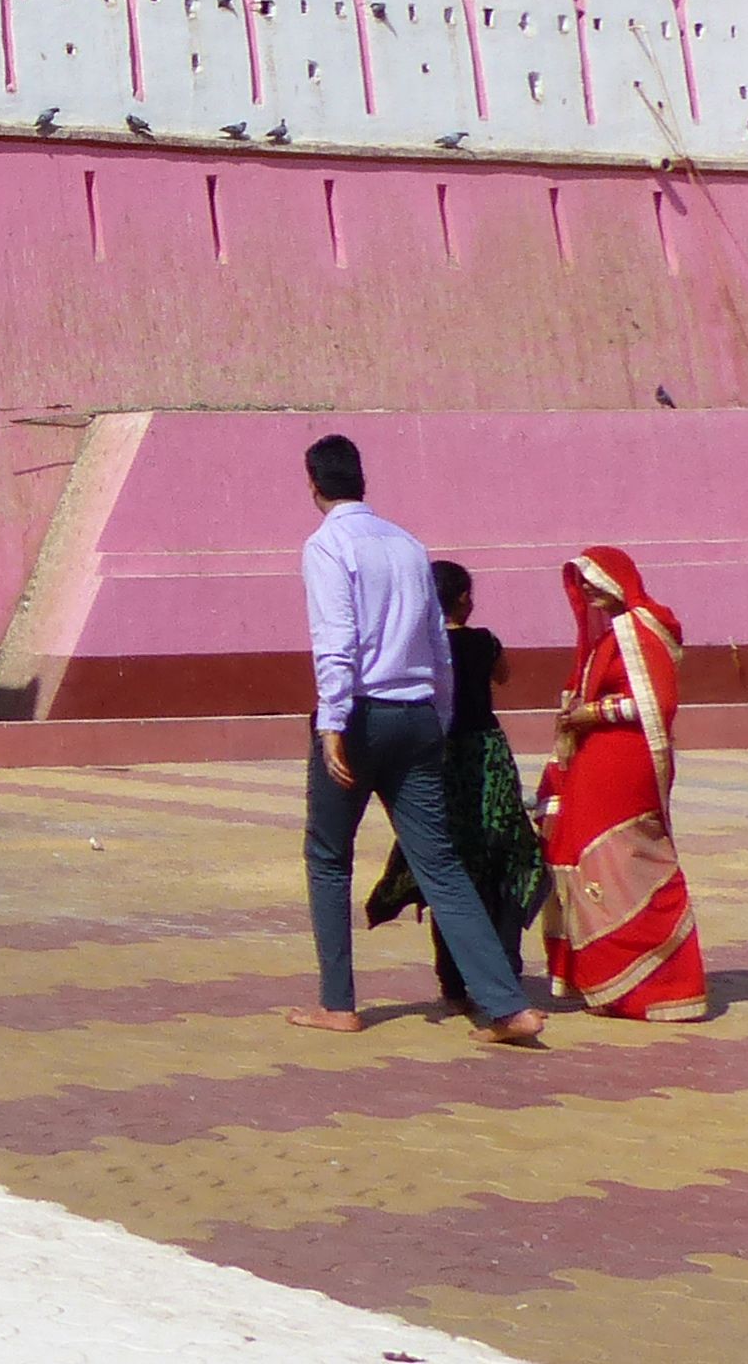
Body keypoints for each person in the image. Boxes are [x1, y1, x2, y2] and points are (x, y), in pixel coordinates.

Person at [288, 433, 545, 1045]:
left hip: (358, 714)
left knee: (328, 856)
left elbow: (336, 640)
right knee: (441, 864)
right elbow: (438, 648)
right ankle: (508, 1006)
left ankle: (338, 1003)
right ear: (362, 481)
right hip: (418, 716)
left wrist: (331, 724)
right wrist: (443, 716)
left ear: (313, 485)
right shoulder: (408, 546)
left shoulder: (327, 546)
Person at [539, 544, 711, 1020]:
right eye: (582, 582)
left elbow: (655, 704)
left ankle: (671, 985)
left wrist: (588, 714)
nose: (588, 589)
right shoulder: (607, 636)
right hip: (596, 761)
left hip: (625, 764)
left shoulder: (642, 627)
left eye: (594, 579)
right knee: (591, 866)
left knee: (631, 861)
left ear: (619, 580)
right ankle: (613, 983)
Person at [368, 559, 548, 1011]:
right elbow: (503, 676)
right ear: (465, 599)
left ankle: (451, 977)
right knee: (502, 858)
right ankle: (503, 965)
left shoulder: (423, 646)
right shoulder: (485, 642)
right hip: (486, 760)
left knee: (447, 864)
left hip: (440, 757)